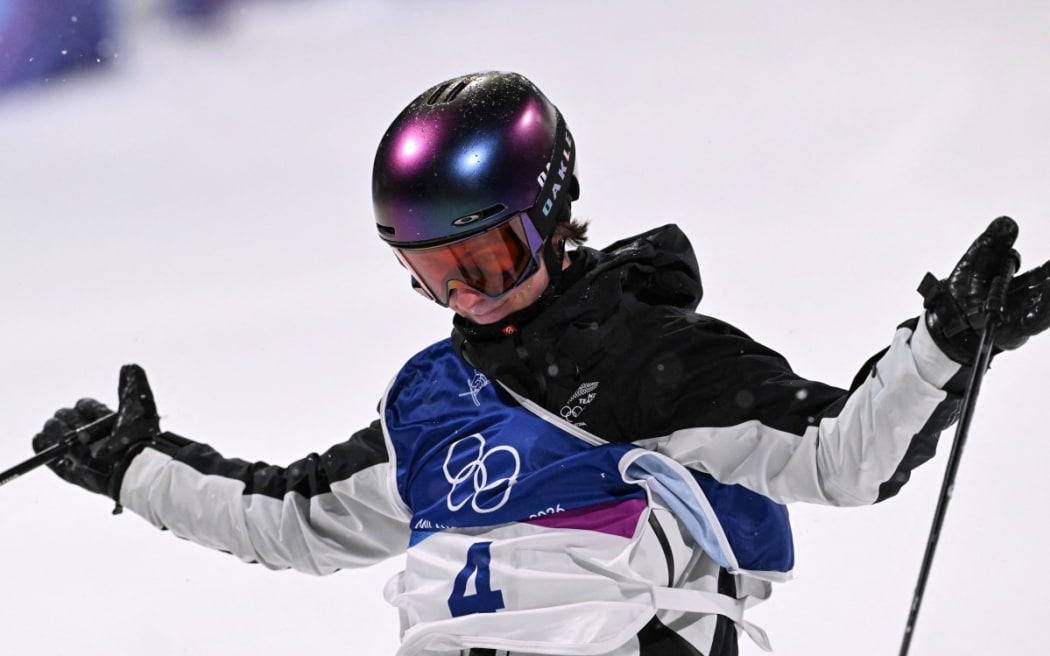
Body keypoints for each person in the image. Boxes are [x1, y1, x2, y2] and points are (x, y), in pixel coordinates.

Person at [32, 71, 1050, 656]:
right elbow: (294, 518)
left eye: (489, 258)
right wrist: (135, 466)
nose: (467, 297)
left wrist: (946, 346)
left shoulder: (650, 358)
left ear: (555, 219)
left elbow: (840, 456)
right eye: (434, 272)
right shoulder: (428, 404)